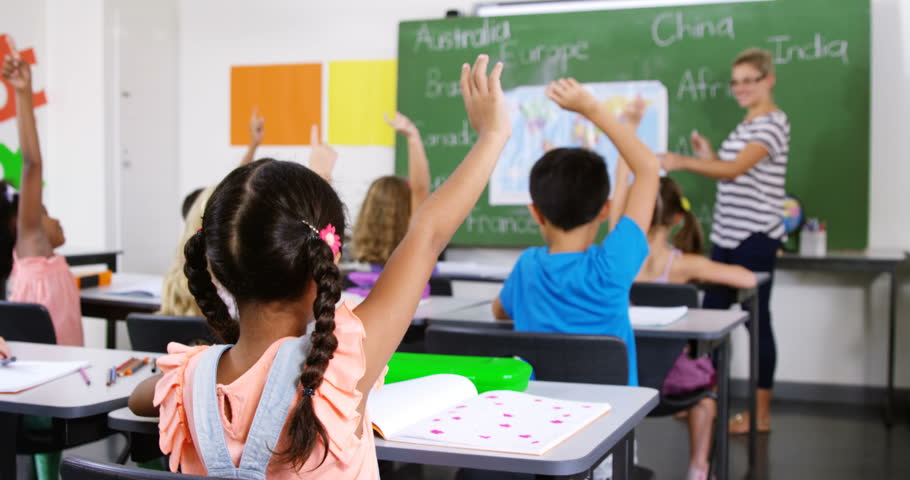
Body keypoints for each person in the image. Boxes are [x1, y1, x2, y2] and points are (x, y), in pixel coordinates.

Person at [128, 55, 510, 478]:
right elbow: (428, 232)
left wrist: (190, 374)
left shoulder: (189, 381)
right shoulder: (340, 367)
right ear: (322, 262)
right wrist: (492, 135)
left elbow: (140, 399)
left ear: (218, 269)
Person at [493, 78, 661, 387]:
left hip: (542, 421)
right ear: (605, 209)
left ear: (535, 212)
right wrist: (592, 109)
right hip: (614, 422)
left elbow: (500, 311)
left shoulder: (528, 266)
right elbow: (648, 168)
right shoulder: (612, 267)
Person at [661, 47, 789, 434]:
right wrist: (710, 156)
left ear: (768, 80)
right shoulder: (747, 124)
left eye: (749, 80)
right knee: (710, 320)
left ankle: (760, 415)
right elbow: (733, 173)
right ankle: (702, 399)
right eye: (736, 82)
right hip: (728, 236)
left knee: (756, 324)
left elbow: (735, 168)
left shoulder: (772, 123)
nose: (740, 89)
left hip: (755, 239)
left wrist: (683, 161)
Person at [614, 149, 755, 480]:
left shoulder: (619, 258)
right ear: (677, 218)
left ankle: (623, 459)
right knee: (706, 396)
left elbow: (620, 191)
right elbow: (747, 279)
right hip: (674, 381)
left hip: (623, 371)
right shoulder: (685, 265)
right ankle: (698, 467)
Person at [350, 111, 430, 267]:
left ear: (368, 211)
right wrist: (413, 138)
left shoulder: (350, 276)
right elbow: (420, 189)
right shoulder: (413, 258)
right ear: (407, 211)